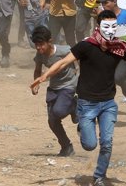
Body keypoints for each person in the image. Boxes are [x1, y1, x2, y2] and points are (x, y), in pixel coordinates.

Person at [30, 10, 126, 186]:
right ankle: (82, 128)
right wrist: (44, 76)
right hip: (87, 104)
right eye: (106, 26)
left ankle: (99, 176)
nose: (110, 30)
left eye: (113, 26)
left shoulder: (119, 48)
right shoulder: (86, 45)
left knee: (107, 143)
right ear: (98, 26)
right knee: (89, 145)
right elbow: (63, 62)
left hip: (108, 104)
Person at [30, 26, 78, 157]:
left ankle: (74, 106)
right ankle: (66, 147)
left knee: (59, 111)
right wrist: (36, 83)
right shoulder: (39, 55)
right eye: (36, 45)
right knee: (52, 121)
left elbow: (79, 58)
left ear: (49, 41)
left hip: (69, 85)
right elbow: (37, 69)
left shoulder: (64, 50)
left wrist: (78, 71)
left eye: (41, 44)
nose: (39, 48)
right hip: (54, 88)